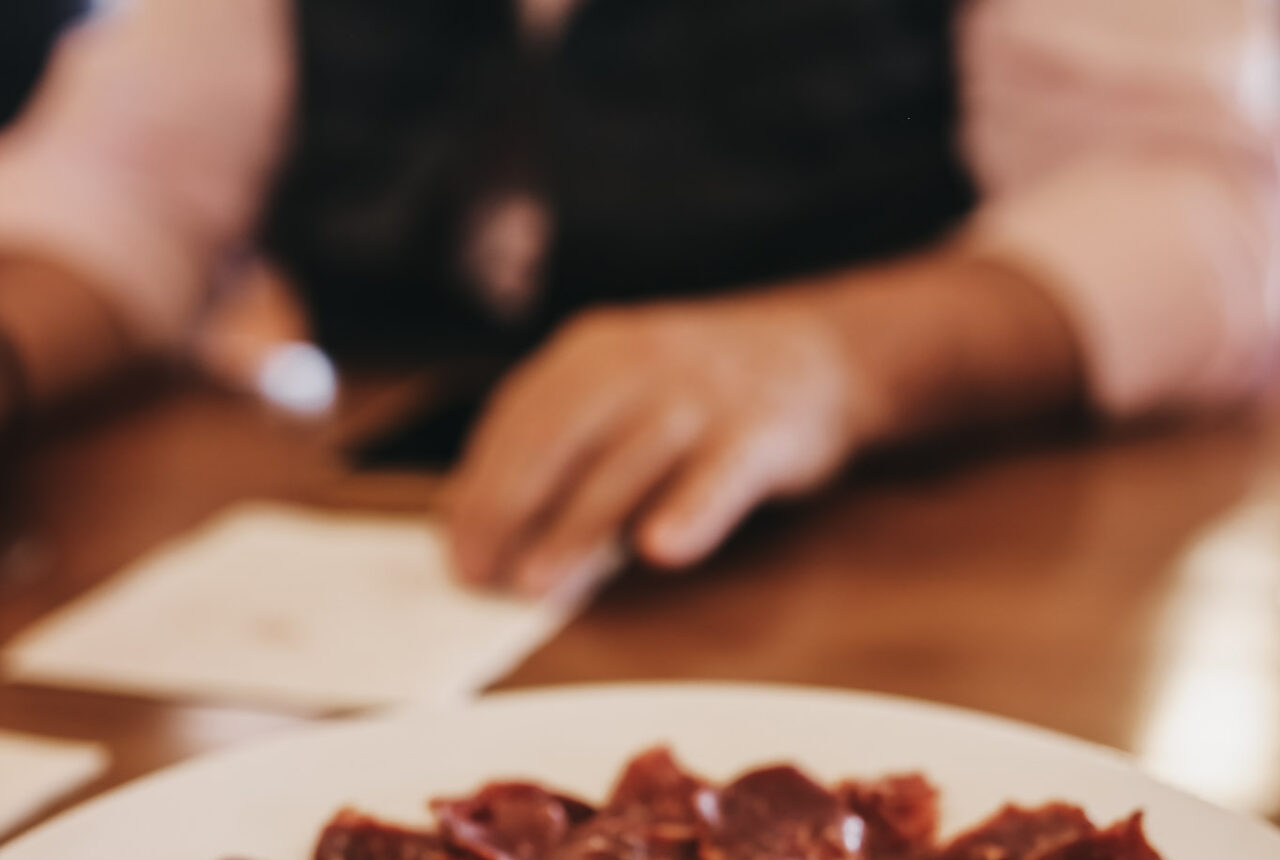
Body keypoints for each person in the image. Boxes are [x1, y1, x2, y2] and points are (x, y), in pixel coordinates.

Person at [0, 0, 1275, 600]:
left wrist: (827, 359)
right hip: (404, 579)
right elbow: (121, 179)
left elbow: (1207, 197)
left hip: (912, 584)